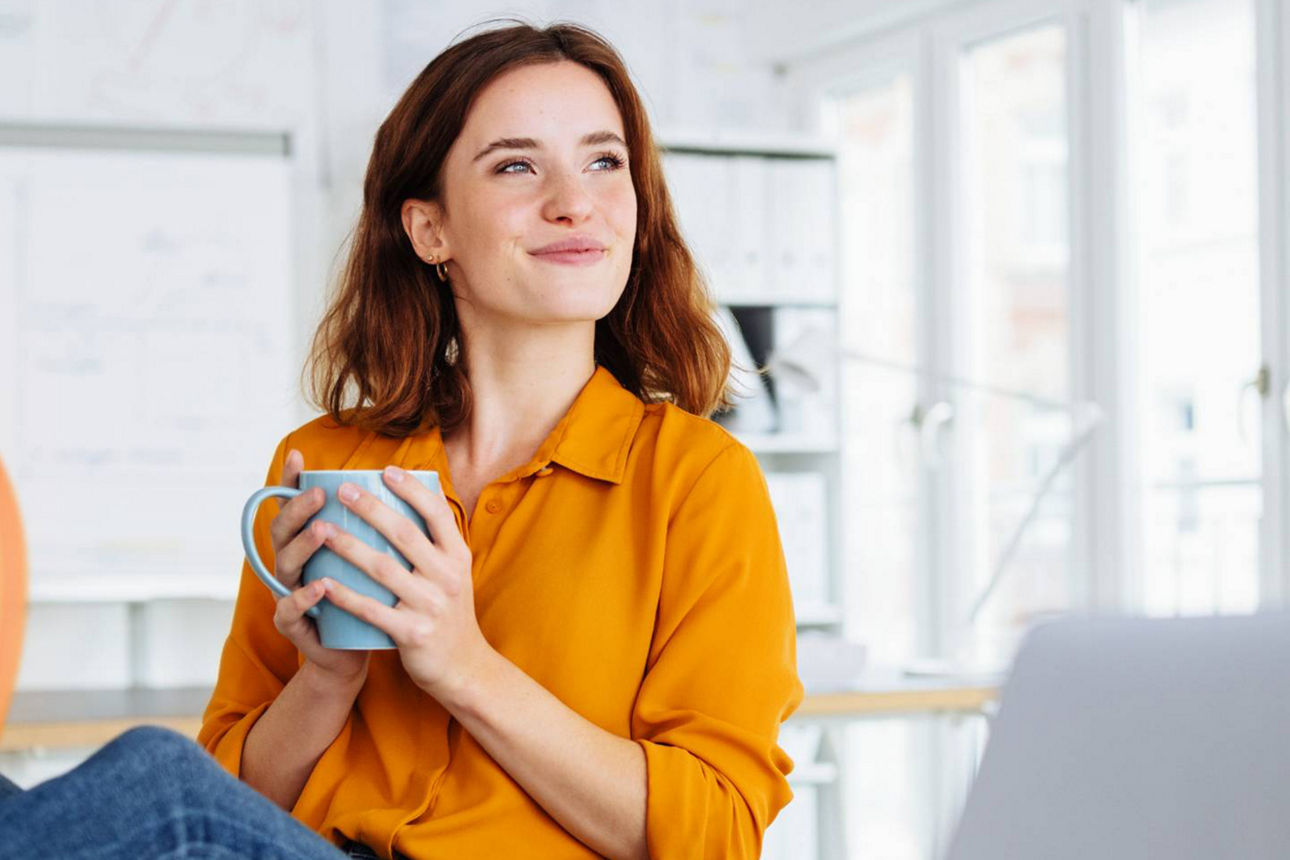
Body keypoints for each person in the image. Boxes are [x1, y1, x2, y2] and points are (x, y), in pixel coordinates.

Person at [0, 18, 803, 860]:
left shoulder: (698, 479)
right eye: (518, 165)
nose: (576, 202)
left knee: (156, 783)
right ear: (430, 232)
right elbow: (227, 809)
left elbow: (714, 833)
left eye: (605, 161)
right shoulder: (324, 464)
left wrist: (462, 664)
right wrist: (325, 680)